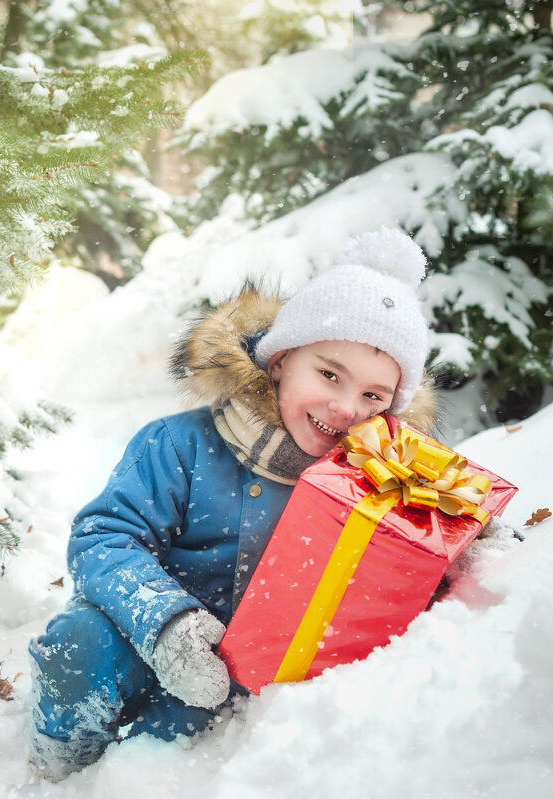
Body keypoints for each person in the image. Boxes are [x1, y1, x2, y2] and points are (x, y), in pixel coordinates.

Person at [27, 227, 439, 781]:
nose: (345, 408)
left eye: (372, 396)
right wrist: (167, 623)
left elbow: (416, 565)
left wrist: (463, 531)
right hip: (144, 643)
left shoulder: (379, 482)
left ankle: (141, 771)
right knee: (81, 645)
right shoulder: (181, 444)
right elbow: (106, 536)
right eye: (328, 374)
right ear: (279, 361)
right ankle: (63, 766)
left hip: (250, 687)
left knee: (160, 762)